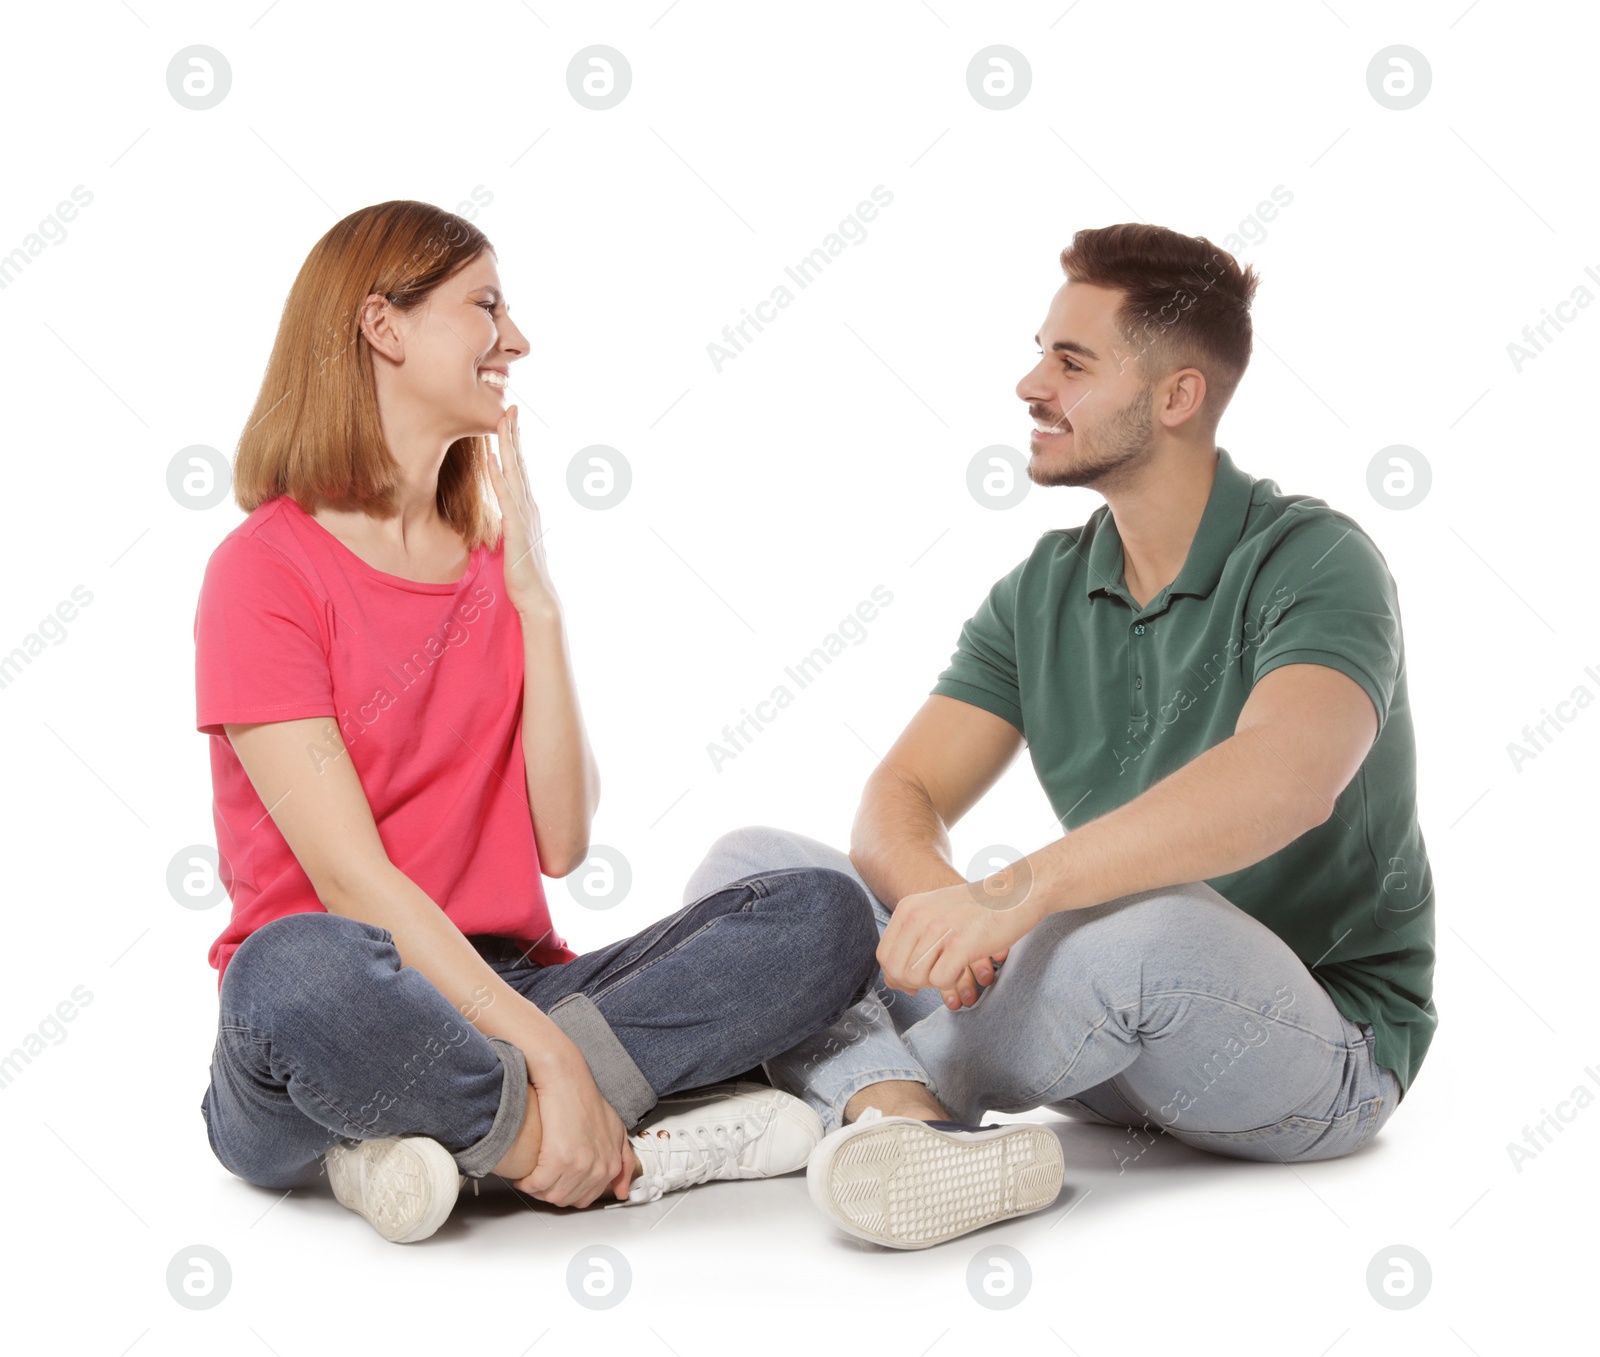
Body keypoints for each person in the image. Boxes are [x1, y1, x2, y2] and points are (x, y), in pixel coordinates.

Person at [687, 222, 1438, 1250]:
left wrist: (1015, 894)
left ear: (1176, 397)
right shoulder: (1042, 586)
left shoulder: (1316, 560)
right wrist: (943, 903)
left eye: (1069, 361)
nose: (1028, 384)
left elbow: (1287, 779)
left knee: (1150, 930)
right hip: (1096, 1042)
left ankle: (819, 1086)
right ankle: (893, 1116)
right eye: (1041, 350)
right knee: (759, 869)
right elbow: (904, 788)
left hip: (1315, 1046)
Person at [193, 200, 883, 1243]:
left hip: (516, 983)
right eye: (485, 306)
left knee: (822, 914)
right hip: (339, 1007)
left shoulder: (489, 573)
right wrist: (552, 1053)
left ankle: (426, 1141)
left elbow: (561, 842)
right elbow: (353, 885)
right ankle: (587, 1146)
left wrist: (536, 603)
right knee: (295, 970)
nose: (514, 340)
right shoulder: (266, 570)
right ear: (383, 326)